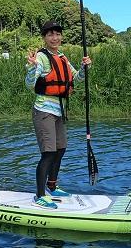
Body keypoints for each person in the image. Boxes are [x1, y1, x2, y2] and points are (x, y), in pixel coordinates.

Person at [25, 21, 92, 209]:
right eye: (50, 35)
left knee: (61, 148)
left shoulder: (62, 57)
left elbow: (75, 79)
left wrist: (84, 68)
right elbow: (30, 83)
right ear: (44, 38)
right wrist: (31, 68)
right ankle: (39, 195)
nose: (55, 38)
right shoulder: (41, 57)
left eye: (57, 34)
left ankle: (52, 186)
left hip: (60, 112)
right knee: (48, 153)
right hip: (44, 110)